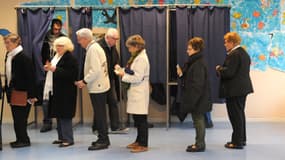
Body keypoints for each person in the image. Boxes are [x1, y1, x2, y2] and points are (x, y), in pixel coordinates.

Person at [216, 32, 253, 149]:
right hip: (242, 89)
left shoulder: (234, 54)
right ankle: (241, 139)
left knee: (235, 116)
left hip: (235, 90)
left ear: (232, 42)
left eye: (226, 42)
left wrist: (219, 69)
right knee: (240, 115)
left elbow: (229, 72)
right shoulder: (243, 53)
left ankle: (237, 142)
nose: (225, 44)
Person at [75, 28, 110, 151]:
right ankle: (102, 137)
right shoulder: (94, 47)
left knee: (100, 115)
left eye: (79, 40)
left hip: (98, 86)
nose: (79, 42)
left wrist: (84, 81)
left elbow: (95, 70)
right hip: (99, 85)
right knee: (99, 114)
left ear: (85, 39)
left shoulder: (93, 49)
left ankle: (104, 140)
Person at [115, 35, 150, 153]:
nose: (129, 50)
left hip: (139, 91)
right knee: (137, 118)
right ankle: (138, 140)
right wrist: (123, 70)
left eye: (130, 47)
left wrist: (122, 75)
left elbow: (137, 78)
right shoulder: (136, 57)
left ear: (136, 46)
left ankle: (143, 144)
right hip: (135, 91)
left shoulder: (142, 59)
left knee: (141, 119)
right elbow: (132, 71)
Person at [176, 37, 212, 152]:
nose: (187, 51)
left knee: (198, 120)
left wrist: (192, 101)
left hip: (198, 98)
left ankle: (200, 145)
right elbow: (191, 79)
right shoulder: (195, 62)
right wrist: (182, 74)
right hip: (198, 97)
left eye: (189, 49)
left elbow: (197, 85)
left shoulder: (198, 64)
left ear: (196, 49)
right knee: (198, 120)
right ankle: (199, 143)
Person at [43, 37, 78, 147]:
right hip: (56, 90)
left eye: (61, 46)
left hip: (66, 91)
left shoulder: (70, 58)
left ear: (67, 46)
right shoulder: (56, 56)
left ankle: (68, 139)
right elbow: (54, 69)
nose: (58, 48)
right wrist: (49, 68)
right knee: (58, 114)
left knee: (65, 116)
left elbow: (71, 74)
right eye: (57, 45)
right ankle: (61, 137)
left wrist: (54, 69)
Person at [4, 33, 37, 148]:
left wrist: (32, 95)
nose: (6, 45)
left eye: (8, 43)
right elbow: (9, 75)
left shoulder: (23, 58)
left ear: (16, 43)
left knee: (21, 118)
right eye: (5, 43)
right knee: (16, 118)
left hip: (23, 92)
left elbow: (31, 77)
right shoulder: (9, 56)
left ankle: (24, 140)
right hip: (13, 92)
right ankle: (19, 138)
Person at [94, 28, 128, 134]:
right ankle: (96, 127)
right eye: (114, 39)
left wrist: (116, 64)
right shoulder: (98, 46)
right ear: (107, 37)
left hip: (110, 79)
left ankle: (115, 126)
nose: (116, 41)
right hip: (100, 80)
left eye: (117, 39)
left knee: (113, 102)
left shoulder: (112, 47)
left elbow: (115, 59)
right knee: (100, 104)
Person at [40, 18, 65, 133]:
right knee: (46, 99)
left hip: (58, 71)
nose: (56, 31)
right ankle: (47, 122)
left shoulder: (64, 39)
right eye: (55, 29)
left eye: (59, 29)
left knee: (58, 98)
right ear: (51, 28)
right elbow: (41, 52)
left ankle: (60, 123)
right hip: (47, 70)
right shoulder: (44, 38)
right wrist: (45, 62)